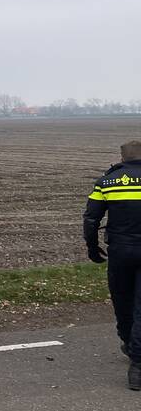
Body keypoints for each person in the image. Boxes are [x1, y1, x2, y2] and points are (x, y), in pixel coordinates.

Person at [84, 140, 141, 390]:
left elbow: (91, 218)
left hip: (120, 252)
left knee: (122, 299)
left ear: (123, 157)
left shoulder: (107, 181)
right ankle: (137, 366)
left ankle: (129, 343)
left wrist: (92, 247)